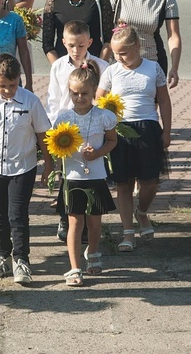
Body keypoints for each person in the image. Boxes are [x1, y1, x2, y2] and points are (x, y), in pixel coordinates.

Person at [0, 53, 53, 284]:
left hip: (23, 168)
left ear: (19, 79)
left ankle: (21, 260)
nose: (8, 91)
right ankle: (2, 258)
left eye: (12, 85)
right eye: (2, 86)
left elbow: (42, 133)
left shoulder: (30, 101)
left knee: (17, 216)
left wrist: (48, 165)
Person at [102, 24, 172, 252]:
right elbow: (98, 99)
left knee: (150, 181)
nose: (119, 58)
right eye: (115, 53)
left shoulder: (153, 68)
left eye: (123, 52)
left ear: (137, 47)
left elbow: (164, 100)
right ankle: (128, 233)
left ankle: (141, 212)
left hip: (147, 127)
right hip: (120, 129)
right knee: (123, 183)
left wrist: (167, 130)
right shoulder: (112, 71)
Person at [55, 62, 118, 286]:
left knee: (94, 222)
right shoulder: (64, 118)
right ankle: (74, 267)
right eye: (75, 93)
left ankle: (92, 254)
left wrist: (99, 152)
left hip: (96, 175)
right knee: (74, 222)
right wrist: (67, 153)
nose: (80, 97)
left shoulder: (104, 117)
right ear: (69, 92)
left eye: (85, 93)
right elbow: (56, 147)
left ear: (94, 91)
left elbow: (113, 140)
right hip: (73, 177)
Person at [47, 20, 109, 241]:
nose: (76, 50)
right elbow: (54, 100)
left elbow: (105, 98)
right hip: (67, 128)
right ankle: (67, 219)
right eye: (71, 45)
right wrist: (56, 129)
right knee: (67, 174)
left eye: (81, 45)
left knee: (92, 171)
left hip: (92, 124)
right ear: (63, 42)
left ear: (90, 42)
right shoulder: (58, 66)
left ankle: (91, 223)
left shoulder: (101, 66)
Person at [108, 0, 181, 88]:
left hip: (151, 61)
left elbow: (173, 36)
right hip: (119, 62)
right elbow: (105, 29)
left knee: (148, 107)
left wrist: (174, 68)